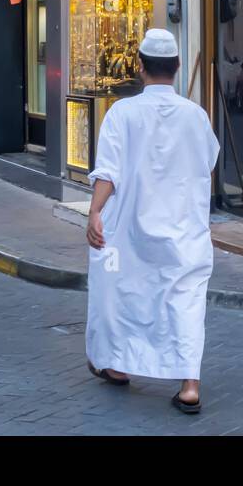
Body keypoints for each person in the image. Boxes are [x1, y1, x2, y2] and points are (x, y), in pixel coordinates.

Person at [84, 28, 219, 415]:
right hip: (185, 228)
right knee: (186, 301)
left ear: (140, 67)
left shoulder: (122, 113)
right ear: (177, 67)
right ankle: (189, 385)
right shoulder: (196, 116)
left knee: (123, 290)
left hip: (131, 227)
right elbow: (207, 162)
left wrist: (94, 212)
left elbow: (107, 172)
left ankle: (118, 364)